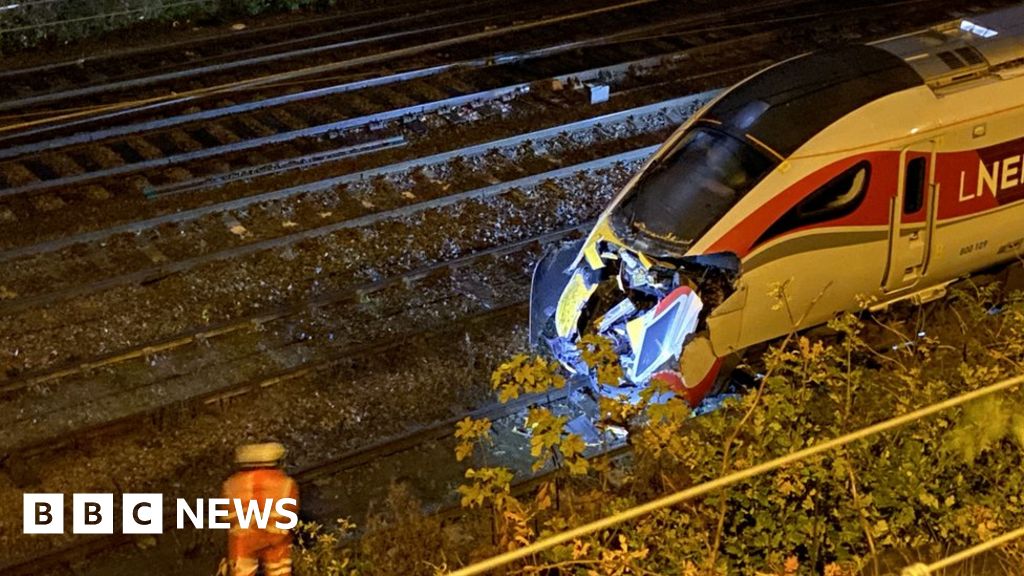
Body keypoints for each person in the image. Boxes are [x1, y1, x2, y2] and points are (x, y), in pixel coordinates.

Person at [222, 442, 299, 576]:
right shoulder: (285, 482)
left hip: (243, 540)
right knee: (280, 571)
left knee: (241, 571)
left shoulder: (232, 484)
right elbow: (291, 512)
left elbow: (226, 515)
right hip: (276, 537)